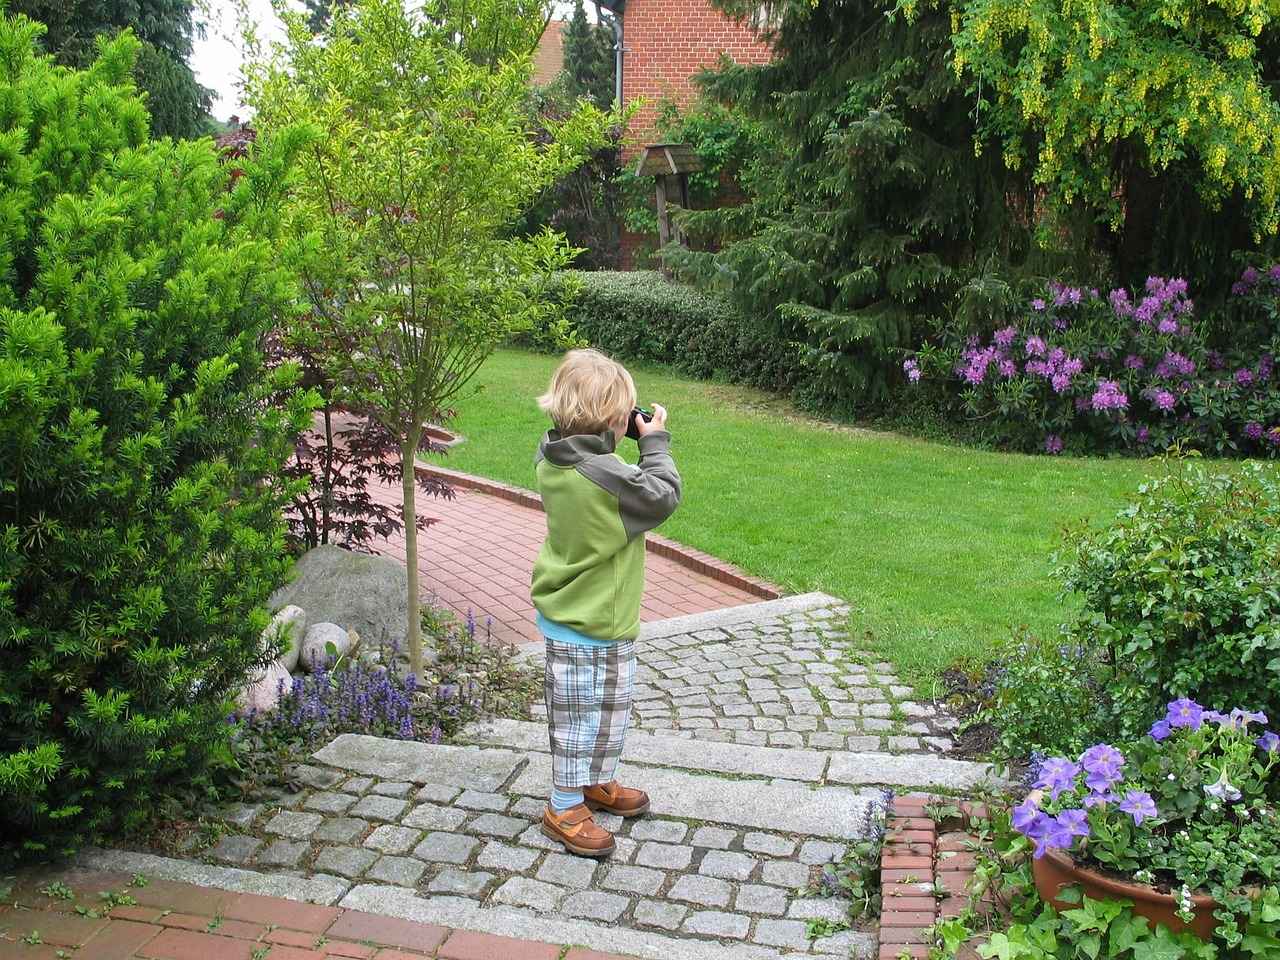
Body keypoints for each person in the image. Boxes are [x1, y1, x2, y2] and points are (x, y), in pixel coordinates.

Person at [531, 348, 682, 857]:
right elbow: (661, 494)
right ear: (614, 420)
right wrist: (653, 440)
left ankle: (594, 781)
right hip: (585, 619)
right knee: (578, 720)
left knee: (606, 712)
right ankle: (563, 806)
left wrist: (611, 432)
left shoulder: (552, 455)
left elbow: (590, 453)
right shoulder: (606, 475)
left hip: (599, 617)